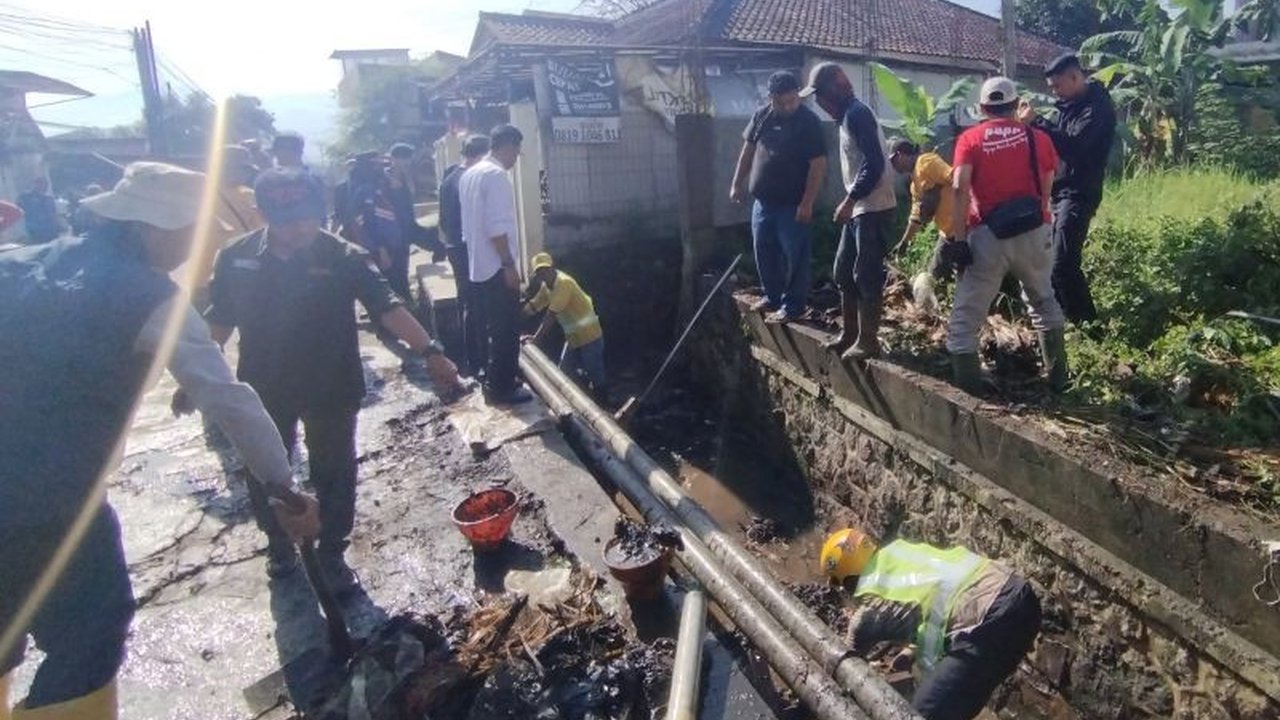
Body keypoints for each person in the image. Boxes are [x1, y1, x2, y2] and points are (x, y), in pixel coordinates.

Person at [0, 162, 319, 720]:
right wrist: (283, 485)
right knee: (89, 634)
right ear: (155, 228)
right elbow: (228, 399)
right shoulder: (149, 298)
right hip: (50, 499)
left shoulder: (14, 264)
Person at [203, 168, 460, 587]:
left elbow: (387, 307)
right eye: (289, 220)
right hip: (264, 385)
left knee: (335, 469)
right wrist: (197, 379)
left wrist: (430, 352)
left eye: (309, 216)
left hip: (331, 384)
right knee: (267, 469)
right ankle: (280, 545)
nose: (302, 227)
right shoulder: (236, 258)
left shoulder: (342, 256)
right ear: (265, 215)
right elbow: (220, 319)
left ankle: (333, 549)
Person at [820, 528, 1042, 720]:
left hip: (988, 621)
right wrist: (911, 651)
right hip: (1020, 599)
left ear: (846, 581)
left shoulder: (866, 617)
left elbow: (842, 663)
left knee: (918, 715)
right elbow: (936, 600)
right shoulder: (902, 552)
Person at [948, 77, 1066, 395]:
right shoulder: (1037, 138)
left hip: (987, 235)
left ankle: (969, 395)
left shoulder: (969, 139)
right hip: (1034, 229)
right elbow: (1047, 186)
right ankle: (1058, 383)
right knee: (1043, 302)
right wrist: (1037, 221)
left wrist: (959, 240)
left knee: (965, 320)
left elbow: (959, 188)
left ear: (984, 108)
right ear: (1016, 106)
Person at [801, 62, 897, 359]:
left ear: (833, 92)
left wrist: (849, 199)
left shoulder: (857, 114)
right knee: (843, 271)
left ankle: (868, 340)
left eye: (819, 97)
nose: (818, 104)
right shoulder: (847, 116)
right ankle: (850, 333)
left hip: (873, 206)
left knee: (865, 274)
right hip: (860, 208)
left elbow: (874, 164)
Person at [1017, 53, 1116, 325]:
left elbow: (1075, 146)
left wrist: (1037, 122)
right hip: (1058, 193)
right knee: (1049, 263)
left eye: (1058, 86)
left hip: (1079, 192)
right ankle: (1066, 322)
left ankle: (1089, 329)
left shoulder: (1098, 108)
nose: (1055, 92)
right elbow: (1053, 146)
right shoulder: (1066, 107)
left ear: (1075, 77)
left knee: (1063, 263)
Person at [730, 70, 827, 324]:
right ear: (771, 98)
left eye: (792, 100)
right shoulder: (761, 116)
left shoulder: (809, 122)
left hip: (793, 205)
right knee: (764, 251)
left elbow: (818, 165)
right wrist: (737, 183)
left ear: (798, 96)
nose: (787, 106)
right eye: (781, 102)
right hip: (763, 202)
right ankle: (772, 296)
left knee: (795, 255)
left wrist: (807, 202)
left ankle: (793, 306)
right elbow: (748, 151)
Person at [460, 124, 532, 405]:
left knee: (486, 326)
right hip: (496, 266)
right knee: (506, 329)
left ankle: (489, 378)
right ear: (508, 147)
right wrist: (509, 265)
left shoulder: (470, 174)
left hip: (477, 265)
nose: (516, 158)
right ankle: (502, 387)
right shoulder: (496, 176)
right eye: (516, 151)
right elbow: (496, 227)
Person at [887, 139, 968, 313]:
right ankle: (938, 313)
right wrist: (904, 242)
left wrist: (938, 187)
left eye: (893, 161)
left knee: (966, 278)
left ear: (900, 155)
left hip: (963, 229)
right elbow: (916, 216)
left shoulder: (926, 161)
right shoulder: (914, 184)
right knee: (934, 277)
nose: (893, 167)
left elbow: (956, 178)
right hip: (946, 233)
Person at [439, 134, 491, 376]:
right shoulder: (470, 179)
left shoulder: (449, 178)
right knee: (476, 305)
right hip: (467, 247)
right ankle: (478, 362)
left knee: (465, 302)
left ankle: (469, 360)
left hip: (452, 246)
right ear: (482, 155)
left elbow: (442, 219)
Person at [190, 146, 264, 308]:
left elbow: (260, 234)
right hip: (204, 279)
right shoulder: (197, 193)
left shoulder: (251, 195)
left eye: (247, 169)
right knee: (206, 329)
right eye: (241, 168)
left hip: (242, 278)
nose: (246, 174)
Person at [522, 252, 606, 396]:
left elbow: (550, 316)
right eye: (539, 272)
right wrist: (517, 317)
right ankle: (581, 398)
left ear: (552, 268)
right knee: (564, 372)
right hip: (573, 338)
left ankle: (603, 401)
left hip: (590, 336)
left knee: (594, 372)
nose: (543, 274)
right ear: (536, 275)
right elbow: (535, 305)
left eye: (545, 270)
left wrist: (536, 339)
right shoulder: (547, 287)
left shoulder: (563, 283)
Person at [346, 152, 412, 301]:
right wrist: (380, 249)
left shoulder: (381, 184)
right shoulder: (362, 190)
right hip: (381, 249)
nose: (381, 167)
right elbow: (367, 224)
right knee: (390, 290)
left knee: (401, 284)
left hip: (395, 245)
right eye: (376, 165)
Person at [17, 178, 60, 244]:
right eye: (39, 183)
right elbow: (19, 208)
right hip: (34, 229)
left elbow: (53, 214)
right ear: (34, 184)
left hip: (49, 229)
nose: (41, 186)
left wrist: (56, 227)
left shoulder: (48, 198)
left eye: (43, 184)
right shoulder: (26, 196)